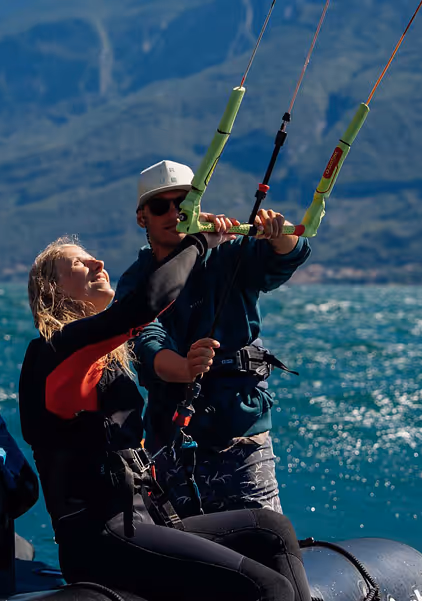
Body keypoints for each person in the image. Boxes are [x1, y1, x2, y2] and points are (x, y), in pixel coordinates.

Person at [18, 231, 311, 601]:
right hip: (102, 539)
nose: (98, 263)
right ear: (53, 290)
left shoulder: (101, 355)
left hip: (141, 521)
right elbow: (148, 303)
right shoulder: (56, 353)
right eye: (78, 263)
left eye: (92, 256)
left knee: (273, 529)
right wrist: (199, 243)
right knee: (267, 587)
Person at [115, 159, 312, 517]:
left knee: (266, 537)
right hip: (171, 446)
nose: (174, 213)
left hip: (241, 434)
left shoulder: (227, 254)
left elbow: (284, 258)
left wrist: (278, 233)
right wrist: (185, 368)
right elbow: (145, 342)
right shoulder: (135, 282)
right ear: (142, 217)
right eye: (160, 206)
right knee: (184, 547)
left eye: (183, 203)